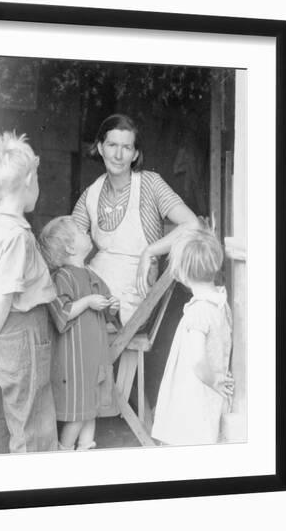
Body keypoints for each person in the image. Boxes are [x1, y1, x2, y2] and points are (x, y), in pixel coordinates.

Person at [72, 114, 199, 324]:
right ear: (101, 148)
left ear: (135, 154)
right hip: (97, 286)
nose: (118, 155)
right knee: (65, 307)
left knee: (74, 318)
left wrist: (150, 251)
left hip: (133, 294)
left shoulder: (150, 184)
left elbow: (192, 224)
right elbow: (66, 240)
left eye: (127, 147)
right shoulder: (91, 193)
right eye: (112, 145)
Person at [0, 130, 58, 453]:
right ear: (30, 180)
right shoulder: (17, 236)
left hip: (20, 336)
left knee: (27, 419)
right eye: (39, 180)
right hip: (23, 335)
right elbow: (3, 296)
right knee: (32, 428)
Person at [39, 216, 120, 450]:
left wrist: (112, 305)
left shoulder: (91, 274)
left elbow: (106, 304)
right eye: (80, 231)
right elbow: (62, 312)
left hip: (92, 356)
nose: (87, 232)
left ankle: (85, 449)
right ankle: (63, 453)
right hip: (75, 359)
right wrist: (87, 302)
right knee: (78, 412)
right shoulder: (62, 277)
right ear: (70, 247)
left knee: (90, 408)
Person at [151, 227, 234, 445]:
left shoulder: (198, 311)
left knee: (187, 438)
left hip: (197, 390)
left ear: (181, 274)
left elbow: (197, 360)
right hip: (208, 389)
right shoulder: (219, 300)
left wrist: (214, 380)